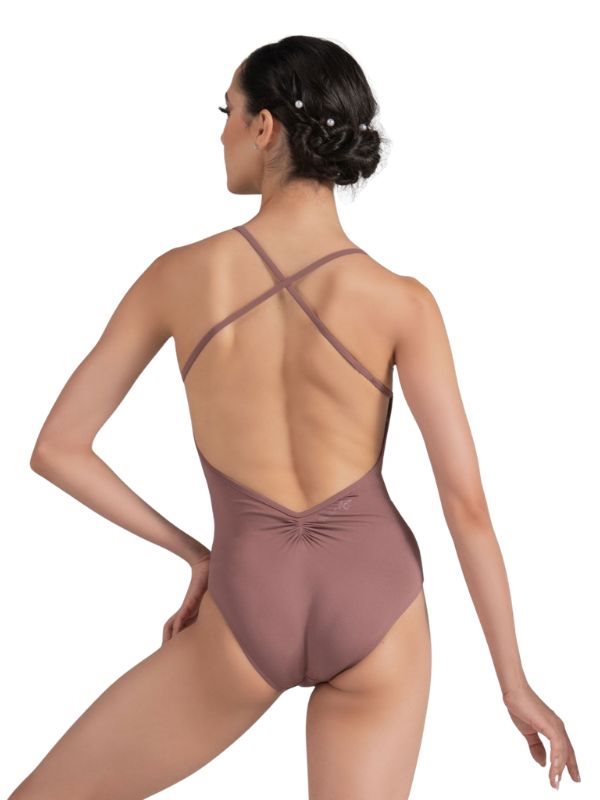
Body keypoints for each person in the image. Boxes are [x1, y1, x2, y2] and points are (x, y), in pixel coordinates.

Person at [9, 34, 579, 800]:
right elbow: (466, 505)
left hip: (250, 597)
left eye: (226, 112)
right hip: (378, 603)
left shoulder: (178, 278)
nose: (220, 132)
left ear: (265, 126)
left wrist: (197, 555)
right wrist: (514, 683)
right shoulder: (402, 301)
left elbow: (58, 448)